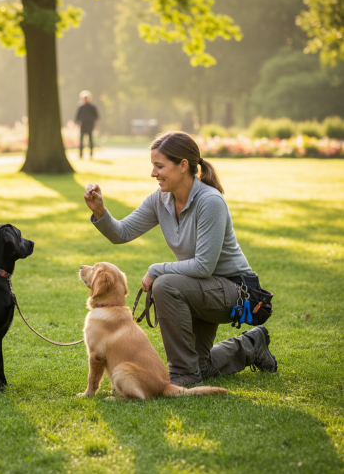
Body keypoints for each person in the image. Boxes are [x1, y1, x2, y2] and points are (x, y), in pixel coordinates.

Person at [83, 131, 277, 388]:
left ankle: (182, 374)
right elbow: (123, 233)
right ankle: (252, 345)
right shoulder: (160, 199)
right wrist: (100, 211)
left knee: (164, 284)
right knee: (201, 365)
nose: (154, 173)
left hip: (235, 291)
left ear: (183, 165)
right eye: (153, 166)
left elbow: (204, 265)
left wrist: (156, 269)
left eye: (159, 166)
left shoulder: (210, 202)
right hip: (199, 287)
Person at [75, 90, 99, 159]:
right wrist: (77, 124)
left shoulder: (92, 107)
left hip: (90, 126)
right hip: (83, 126)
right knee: (81, 141)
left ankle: (91, 154)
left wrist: (91, 120)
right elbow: (77, 116)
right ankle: (80, 155)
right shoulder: (80, 106)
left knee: (90, 141)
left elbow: (96, 116)